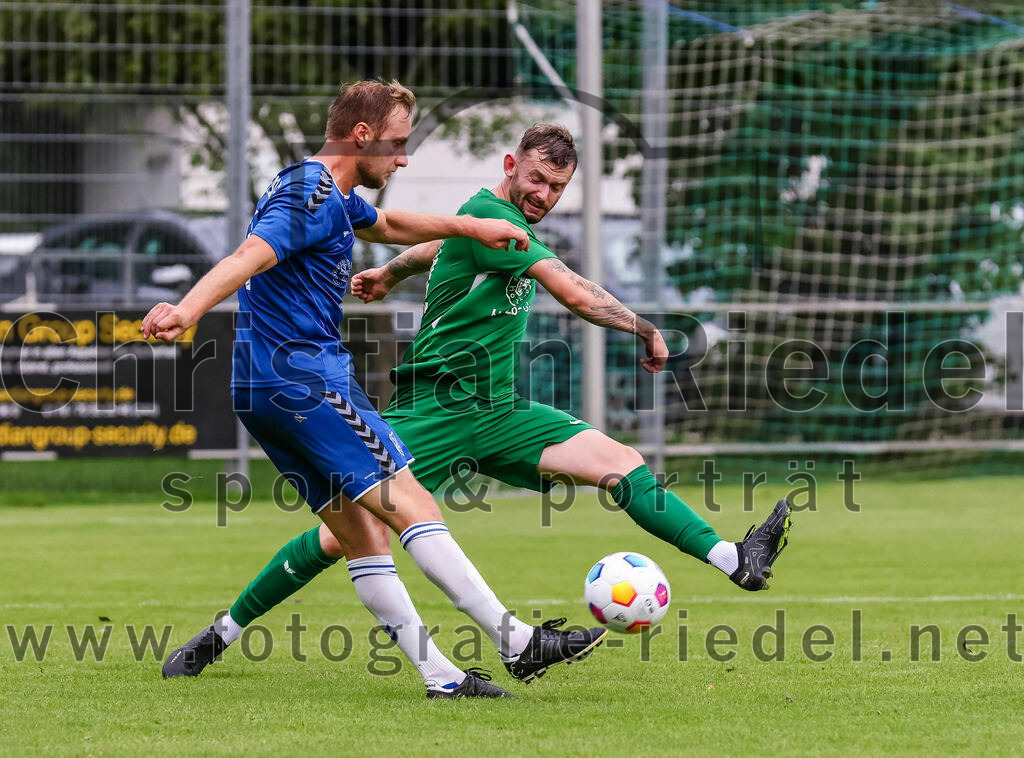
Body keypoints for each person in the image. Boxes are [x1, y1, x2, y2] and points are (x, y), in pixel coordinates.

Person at [164, 122, 793, 687]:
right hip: (437, 409)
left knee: (618, 460)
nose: (543, 195)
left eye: (557, 188)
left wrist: (392, 274)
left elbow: (439, 248)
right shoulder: (494, 216)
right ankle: (222, 633)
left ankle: (734, 559)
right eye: (537, 178)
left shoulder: (487, 228)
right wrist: (645, 328)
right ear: (509, 165)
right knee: (341, 540)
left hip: (497, 410)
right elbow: (574, 292)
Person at [146, 82, 606, 699]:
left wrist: (469, 224)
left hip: (259, 388)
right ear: (360, 136)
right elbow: (248, 256)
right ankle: (515, 640)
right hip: (305, 379)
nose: (404, 157)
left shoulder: (330, 191)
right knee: (412, 500)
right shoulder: (310, 194)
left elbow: (387, 222)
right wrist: (188, 308)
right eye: (396, 144)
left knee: (362, 535)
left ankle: (441, 677)